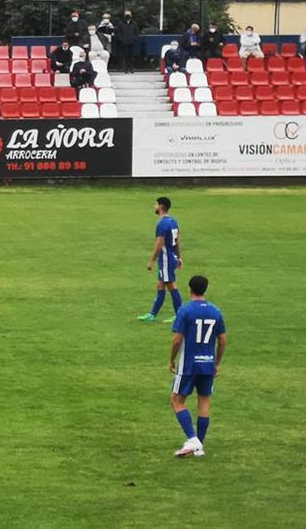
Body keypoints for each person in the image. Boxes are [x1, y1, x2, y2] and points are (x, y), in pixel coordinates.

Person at [168, 275, 226, 458]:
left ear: (190, 289)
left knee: (176, 401)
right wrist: (217, 363)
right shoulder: (215, 311)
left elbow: (177, 340)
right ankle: (199, 447)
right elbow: (222, 340)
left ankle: (193, 439)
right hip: (208, 364)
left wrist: (171, 359)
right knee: (204, 402)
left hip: (189, 365)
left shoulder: (185, 310)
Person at [138, 196, 183, 323]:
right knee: (160, 286)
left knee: (171, 286)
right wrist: (179, 257)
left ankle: (179, 316)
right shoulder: (173, 221)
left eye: (156, 204)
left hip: (166, 260)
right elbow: (177, 241)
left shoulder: (162, 224)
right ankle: (152, 315)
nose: (155, 206)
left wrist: (152, 261)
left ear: (161, 207)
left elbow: (159, 244)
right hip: (171, 257)